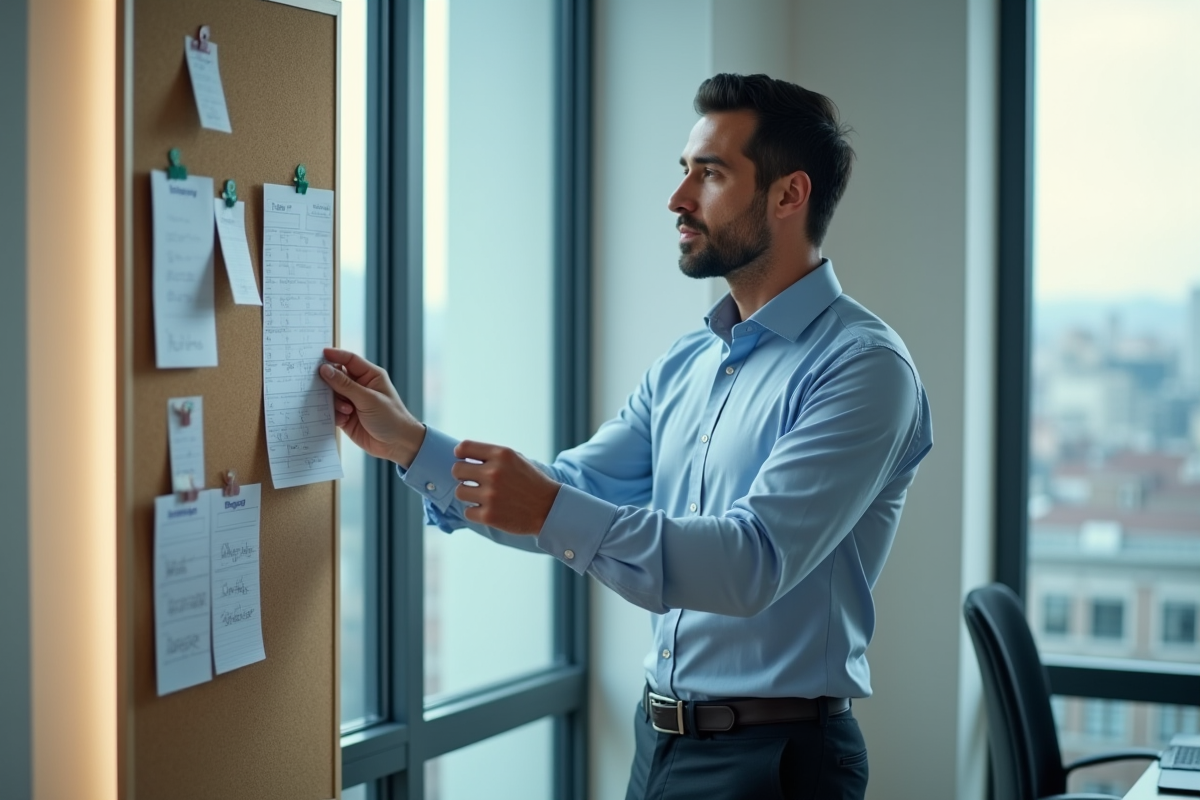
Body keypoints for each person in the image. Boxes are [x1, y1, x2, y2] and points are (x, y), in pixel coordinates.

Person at [319, 73, 932, 800]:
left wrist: (549, 508)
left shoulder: (863, 368)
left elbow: (751, 563)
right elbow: (566, 493)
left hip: (780, 763)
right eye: (684, 171)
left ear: (788, 195)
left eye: (710, 174)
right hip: (658, 745)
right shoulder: (687, 362)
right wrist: (413, 445)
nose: (678, 199)